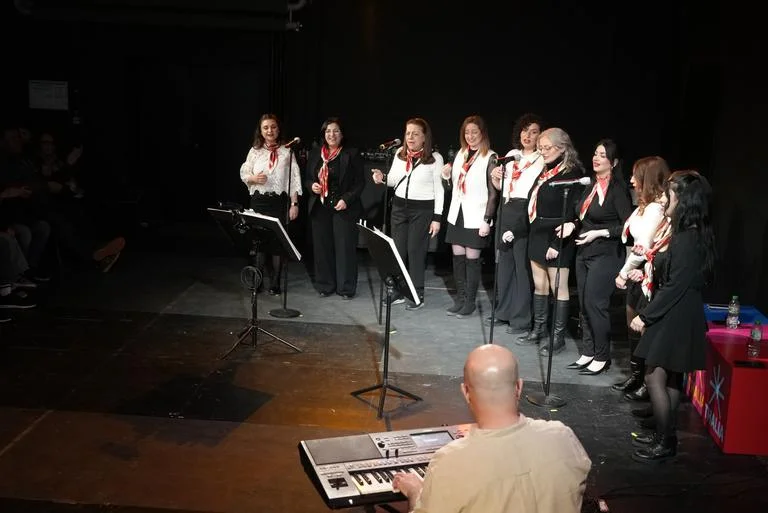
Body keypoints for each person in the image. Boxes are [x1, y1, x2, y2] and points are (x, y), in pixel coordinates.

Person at [392, 344, 592, 513]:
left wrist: (415, 492)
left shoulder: (450, 462)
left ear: (465, 392)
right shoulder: (563, 437)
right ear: (519, 387)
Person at [629, 170, 716, 463]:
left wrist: (646, 315)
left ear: (683, 199)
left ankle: (666, 440)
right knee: (670, 378)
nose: (665, 199)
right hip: (683, 310)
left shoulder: (687, 239)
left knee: (655, 375)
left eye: (670, 194)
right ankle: (663, 434)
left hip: (676, 312)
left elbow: (677, 284)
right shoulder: (693, 233)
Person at [562, 139, 633, 375]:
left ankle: (603, 356)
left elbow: (627, 226)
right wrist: (573, 225)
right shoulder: (590, 185)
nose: (596, 158)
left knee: (595, 304)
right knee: (583, 304)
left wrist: (598, 233)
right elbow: (580, 214)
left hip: (607, 253)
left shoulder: (617, 190)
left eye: (602, 155)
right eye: (595, 153)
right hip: (584, 252)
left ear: (613, 162)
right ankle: (588, 351)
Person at [519, 128, 584, 355]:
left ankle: (558, 337)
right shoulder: (546, 171)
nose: (542, 152)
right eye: (540, 148)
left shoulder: (572, 173)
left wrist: (557, 242)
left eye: (547, 148)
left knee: (559, 286)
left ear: (562, 148)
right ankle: (539, 329)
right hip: (538, 231)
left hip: (558, 233)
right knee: (540, 284)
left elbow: (575, 211)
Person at [612, 156, 671, 400]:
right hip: (638, 268)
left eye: (636, 176)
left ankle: (647, 381)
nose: (631, 180)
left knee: (642, 325)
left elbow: (644, 246)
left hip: (648, 271)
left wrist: (623, 273)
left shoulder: (657, 209)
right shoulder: (643, 206)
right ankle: (636, 375)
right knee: (631, 324)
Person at [372, 118, 444, 309]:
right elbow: (395, 180)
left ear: (424, 137)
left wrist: (437, 218)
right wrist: (382, 178)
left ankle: (416, 292)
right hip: (399, 208)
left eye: (415, 133)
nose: (410, 137)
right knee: (398, 251)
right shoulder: (399, 154)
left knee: (415, 250)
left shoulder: (435, 158)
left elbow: (439, 190)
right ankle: (398, 290)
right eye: (408, 133)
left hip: (422, 210)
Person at [489, 113, 545, 335]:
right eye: (524, 130)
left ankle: (521, 319)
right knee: (504, 264)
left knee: (522, 267)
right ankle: (503, 311)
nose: (528, 136)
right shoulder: (512, 155)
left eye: (533, 132)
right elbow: (501, 185)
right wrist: (495, 176)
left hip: (525, 210)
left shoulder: (541, 159)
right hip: (506, 206)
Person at [442, 115, 498, 318]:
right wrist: (447, 176)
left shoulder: (490, 157)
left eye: (474, 132)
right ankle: (461, 299)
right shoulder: (460, 154)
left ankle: (470, 302)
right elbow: (456, 185)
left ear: (482, 133)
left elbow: (494, 193)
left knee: (471, 259)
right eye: (467, 132)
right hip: (458, 213)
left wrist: (487, 220)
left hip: (476, 214)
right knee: (457, 257)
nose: (470, 136)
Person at [239, 114, 302, 294]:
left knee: (276, 244)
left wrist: (294, 204)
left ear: (278, 129)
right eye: (265, 127)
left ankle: (275, 283)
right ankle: (257, 282)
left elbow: (294, 180)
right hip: (259, 202)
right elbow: (244, 172)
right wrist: (253, 178)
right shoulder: (255, 150)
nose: (269, 131)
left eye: (273, 127)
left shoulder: (287, 151)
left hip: (278, 202)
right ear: (260, 130)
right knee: (259, 243)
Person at [304, 117, 364, 299]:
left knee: (345, 248)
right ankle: (325, 285)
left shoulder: (351, 153)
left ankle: (346, 288)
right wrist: (311, 186)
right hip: (320, 207)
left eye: (336, 131)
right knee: (322, 248)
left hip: (343, 207)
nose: (332, 134)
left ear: (342, 134)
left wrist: (346, 199)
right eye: (328, 131)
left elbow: (360, 183)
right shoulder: (316, 153)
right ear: (324, 134)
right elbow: (307, 178)